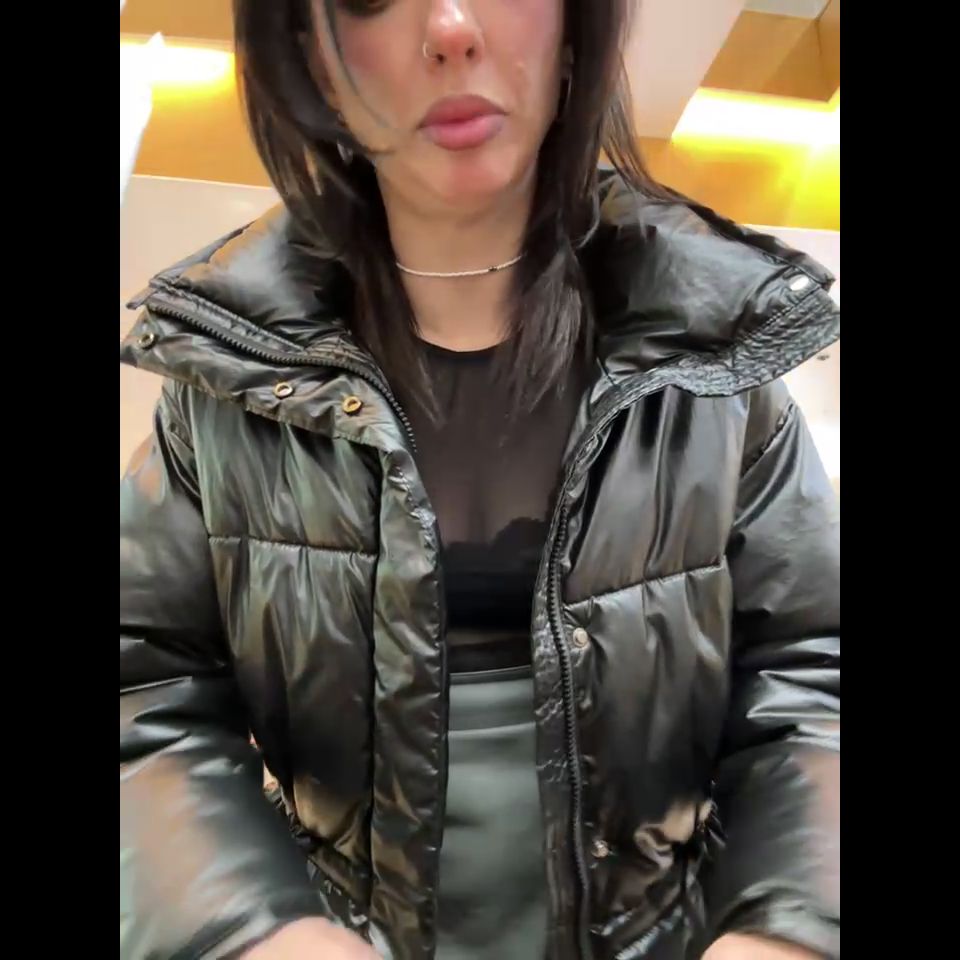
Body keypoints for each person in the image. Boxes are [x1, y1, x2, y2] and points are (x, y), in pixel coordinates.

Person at [119, 1, 840, 958]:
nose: (452, 28)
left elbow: (814, 670)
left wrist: (789, 926)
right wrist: (251, 930)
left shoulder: (716, 352)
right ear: (312, 58)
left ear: (576, 27)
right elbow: (145, 687)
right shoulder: (227, 374)